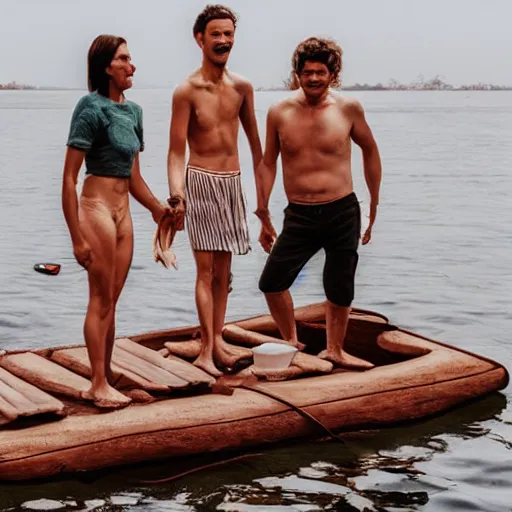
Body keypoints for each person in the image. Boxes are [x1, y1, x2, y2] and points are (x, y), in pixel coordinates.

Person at [255, 37, 382, 370]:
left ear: (332, 74)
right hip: (300, 213)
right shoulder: (279, 112)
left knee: (339, 285)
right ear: (297, 73)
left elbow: (371, 150)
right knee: (272, 281)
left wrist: (374, 205)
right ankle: (290, 341)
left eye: (320, 72)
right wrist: (262, 208)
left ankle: (335, 349)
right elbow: (268, 162)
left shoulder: (348, 109)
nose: (313, 78)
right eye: (306, 72)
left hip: (342, 210)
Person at [62, 35, 168, 407]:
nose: (131, 65)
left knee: (113, 302)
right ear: (107, 66)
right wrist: (77, 237)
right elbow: (69, 178)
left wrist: (157, 208)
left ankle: (103, 380)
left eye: (130, 58)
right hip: (95, 209)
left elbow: (133, 176)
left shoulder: (133, 112)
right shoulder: (90, 108)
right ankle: (97, 384)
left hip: (124, 214)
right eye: (124, 59)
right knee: (100, 299)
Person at [167, 4, 262, 376]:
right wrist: (178, 194)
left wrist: (265, 201)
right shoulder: (186, 91)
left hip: (232, 183)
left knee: (225, 272)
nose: (223, 41)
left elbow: (257, 146)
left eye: (228, 34)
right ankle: (206, 350)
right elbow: (176, 151)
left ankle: (218, 338)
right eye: (215, 35)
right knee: (205, 272)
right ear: (199, 39)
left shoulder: (242, 87)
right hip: (201, 181)